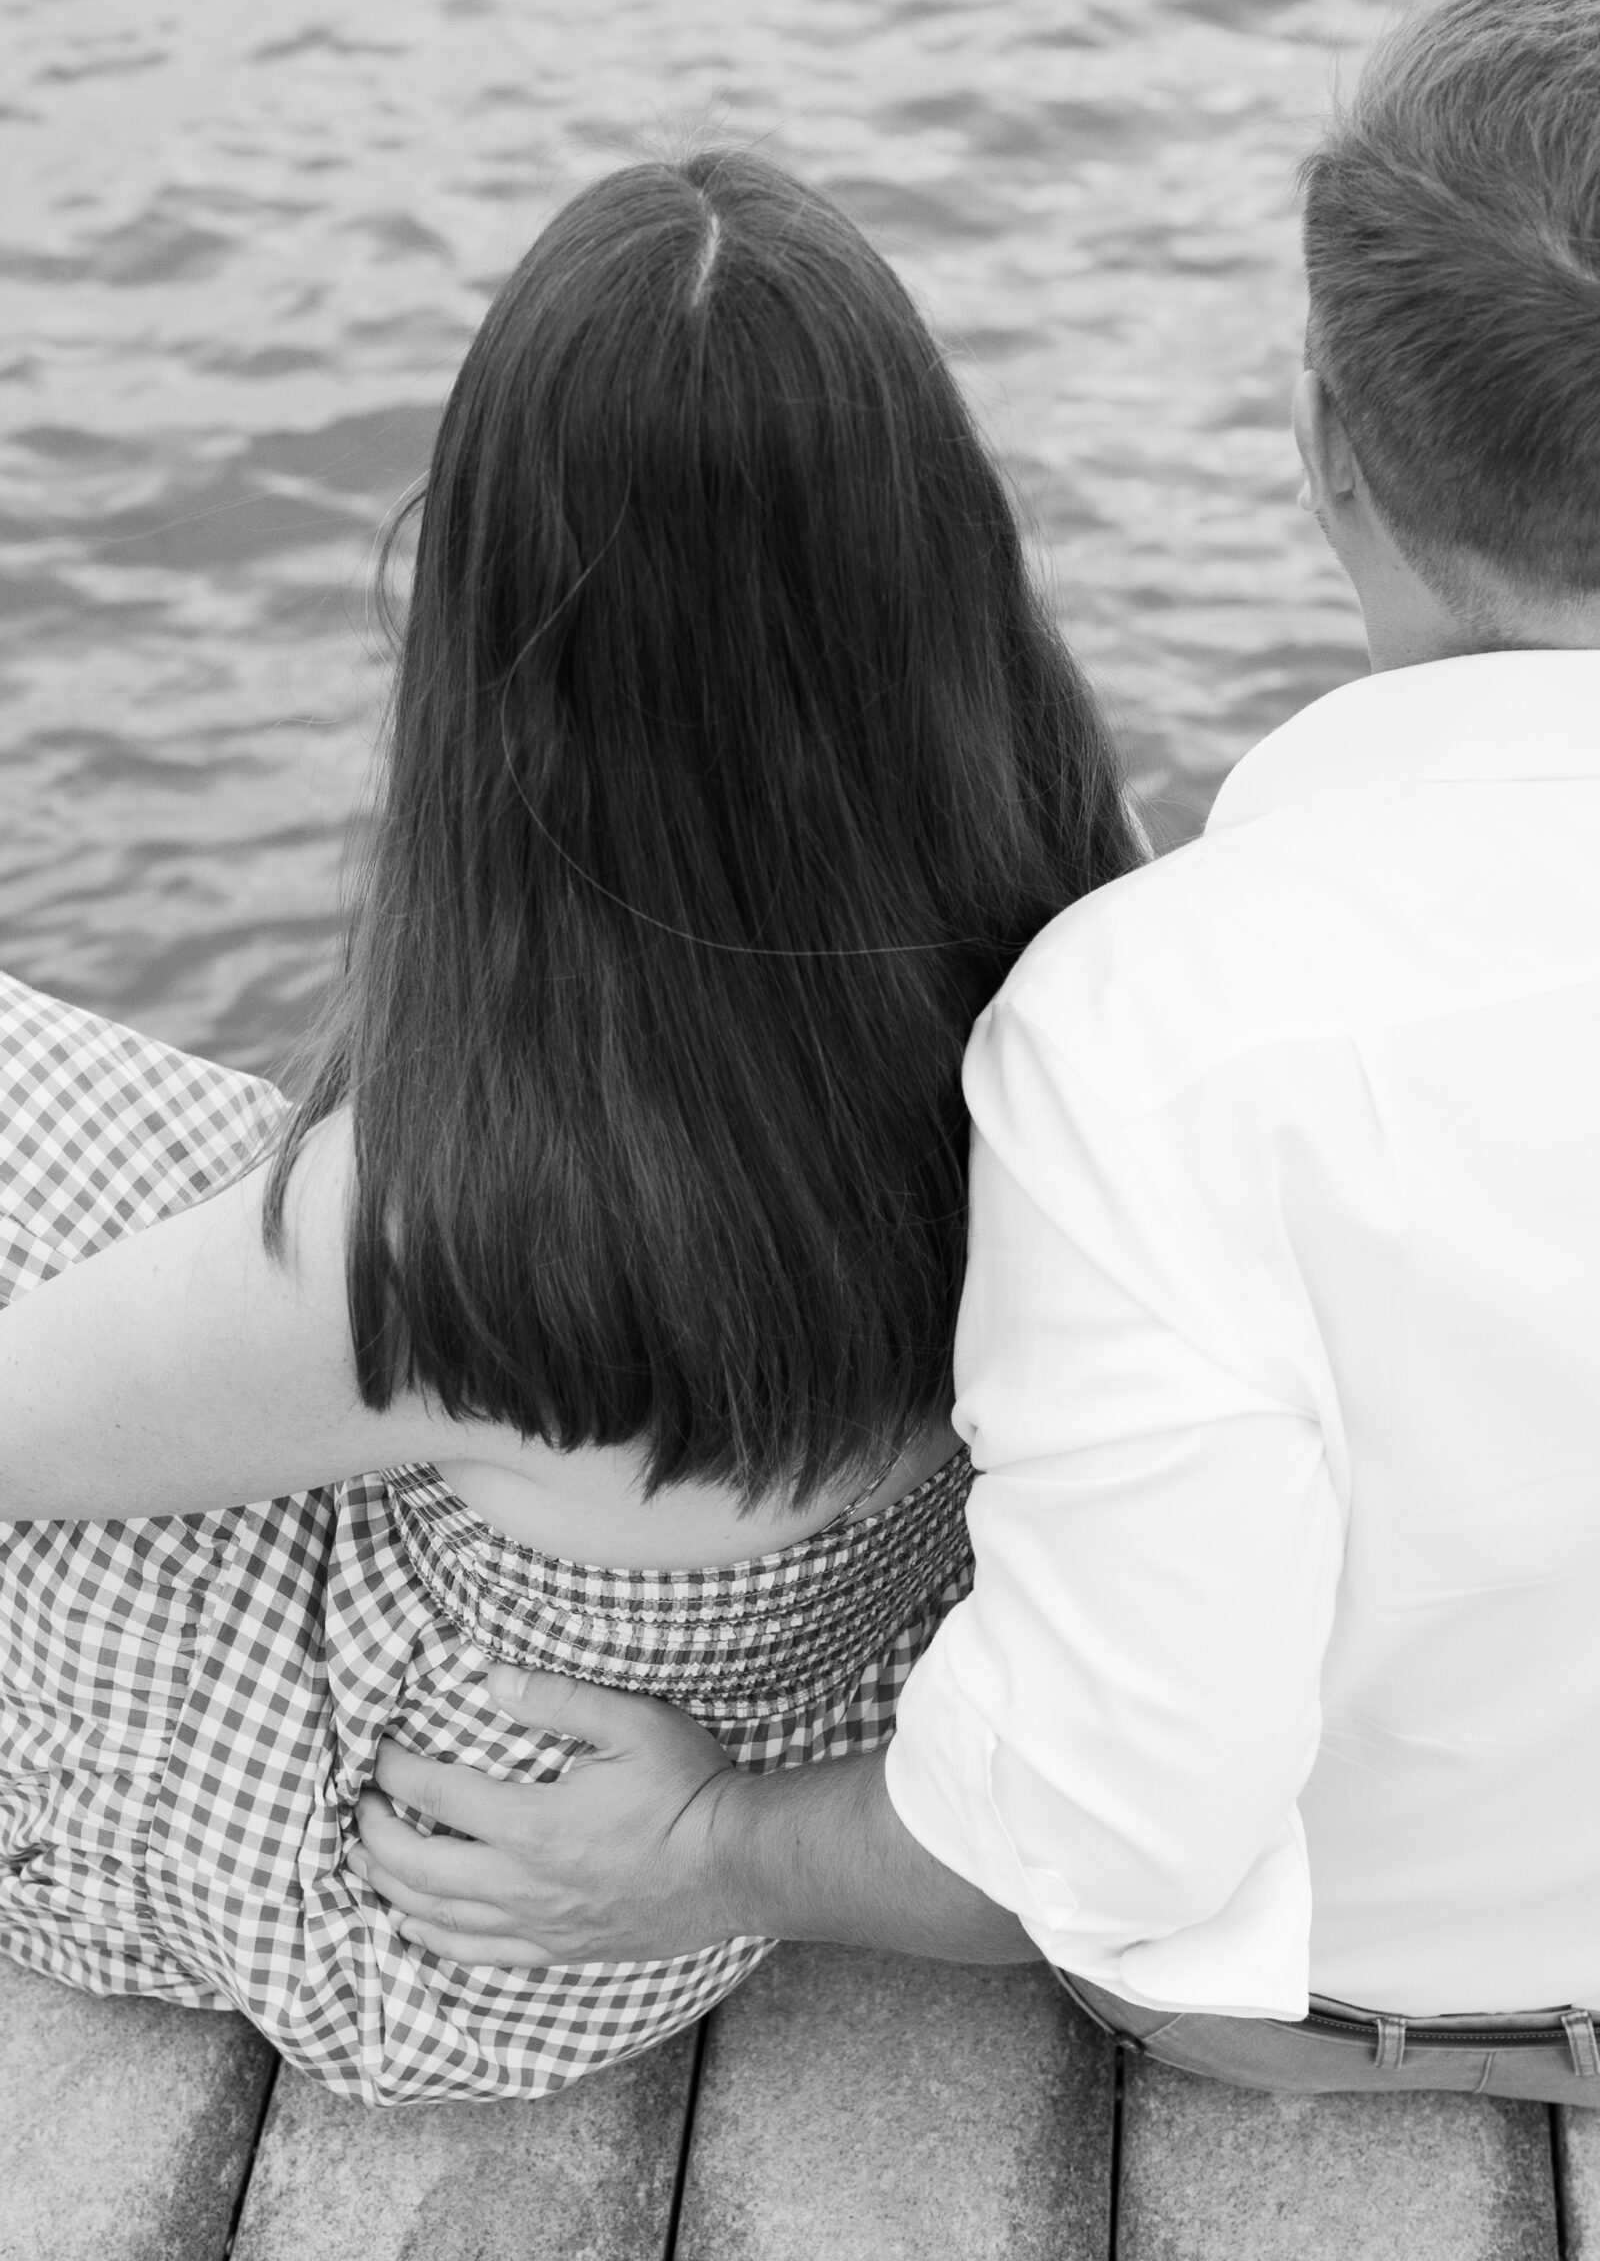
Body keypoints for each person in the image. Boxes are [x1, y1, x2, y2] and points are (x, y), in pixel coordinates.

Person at [347, 0, 1600, 2107]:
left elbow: (1115, 1819)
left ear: (1323, 444)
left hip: (1380, 2000)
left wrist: (701, 1842)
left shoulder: (1162, 1037)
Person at [0, 148, 1140, 2104]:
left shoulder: (475, 1218)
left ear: (490, 624)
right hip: (745, 1749)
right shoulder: (1077, 932)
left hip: (445, 1904)